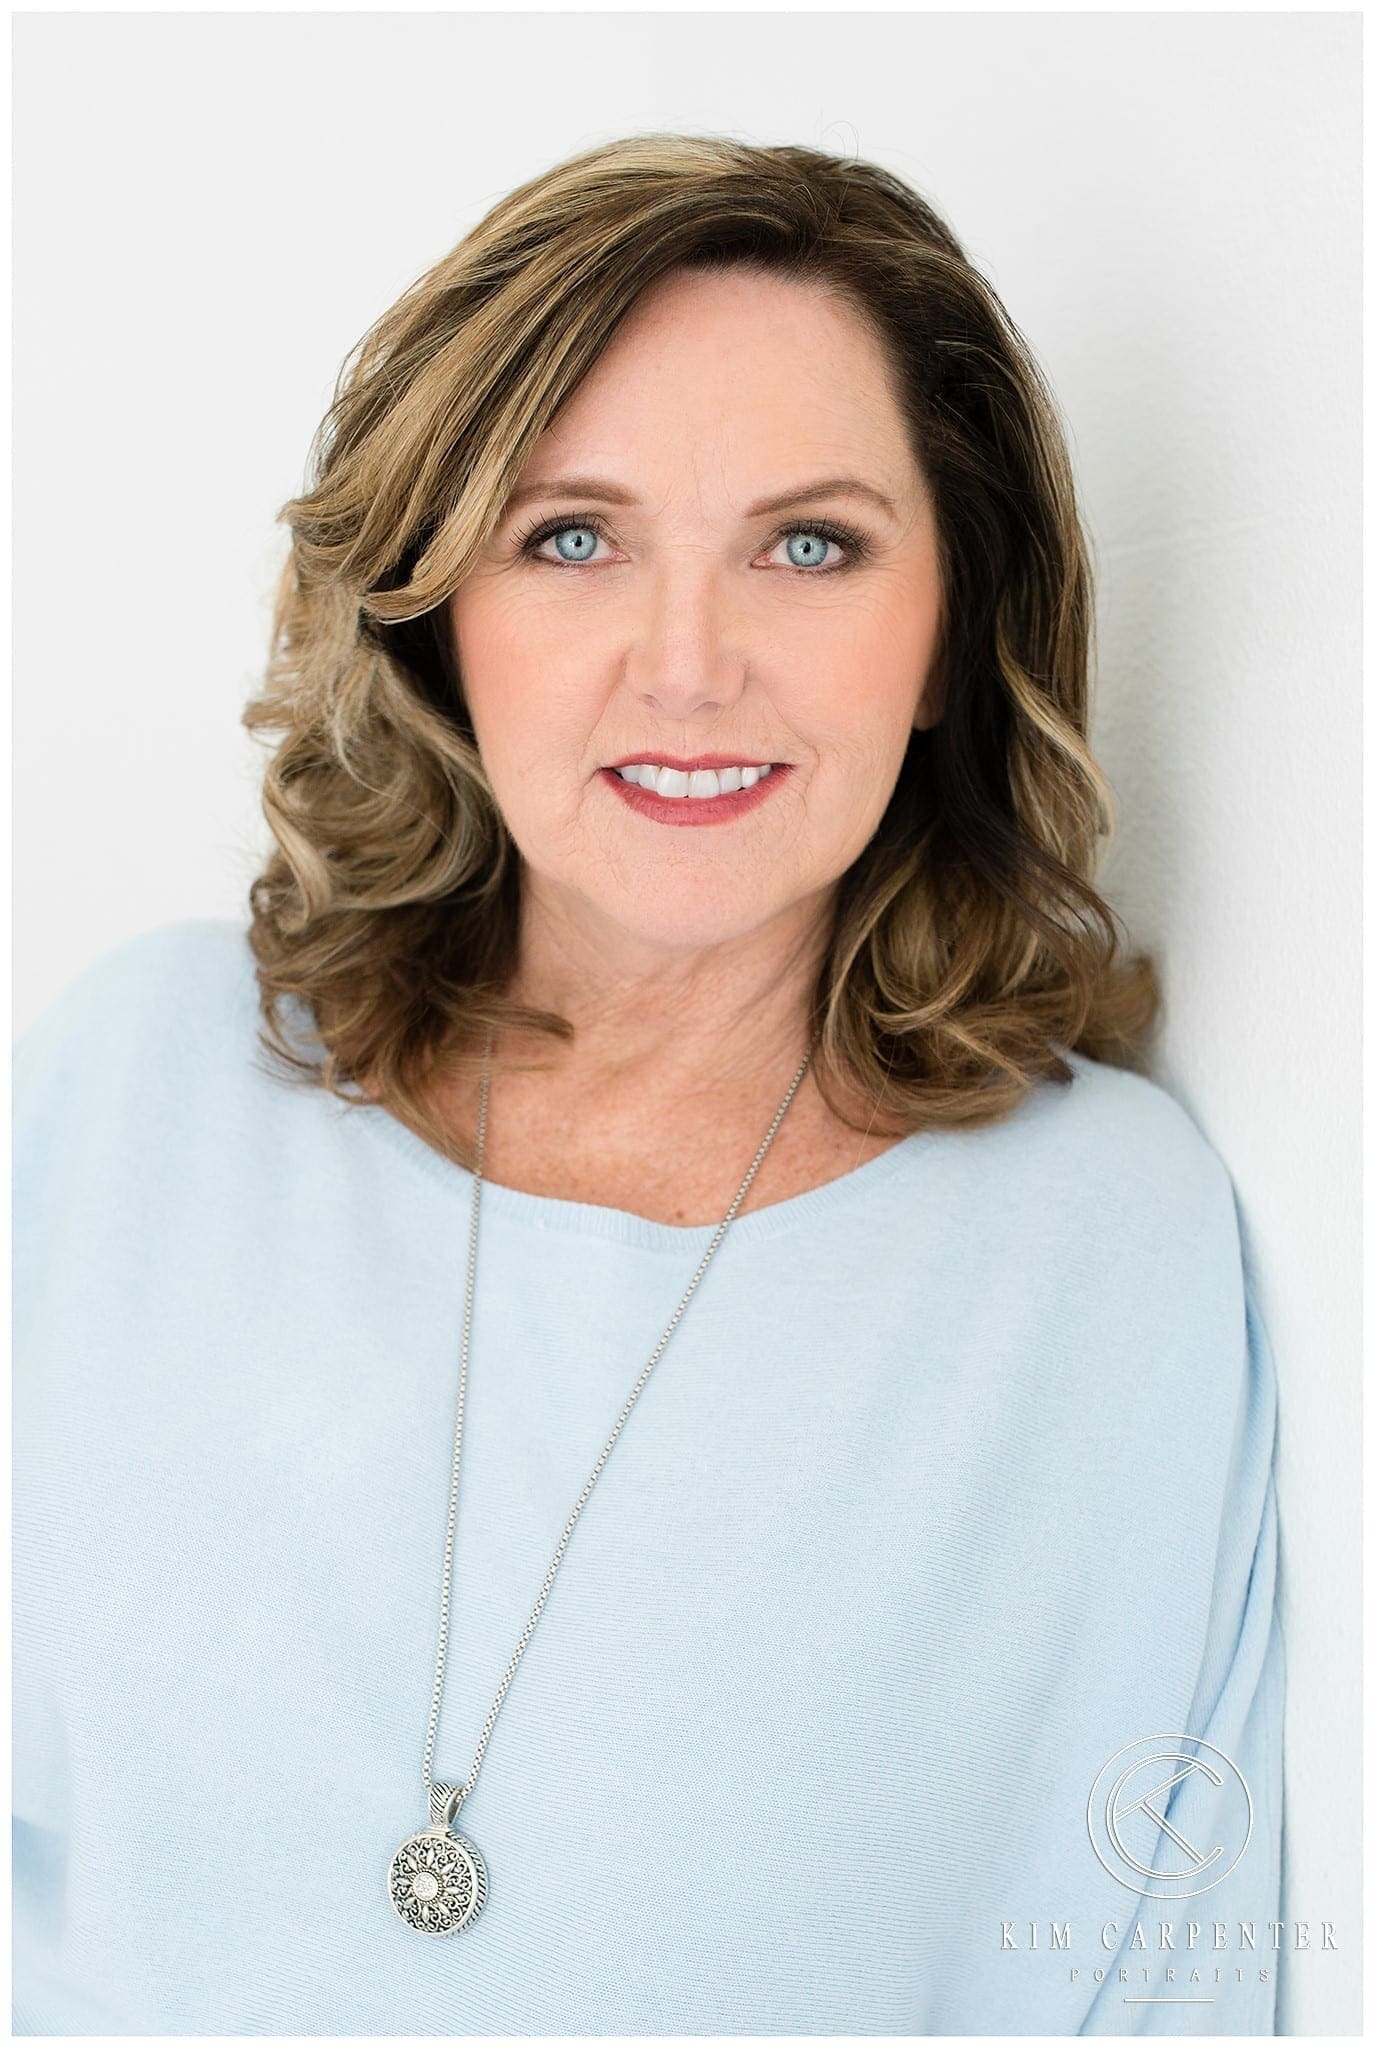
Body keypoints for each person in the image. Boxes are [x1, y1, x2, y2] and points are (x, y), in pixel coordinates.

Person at [12, 134, 1284, 2035]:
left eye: (811, 543)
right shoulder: (138, 1090)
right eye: (574, 536)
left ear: (950, 633)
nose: (689, 668)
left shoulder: (1106, 1254)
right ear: (440, 609)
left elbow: (1162, 1977)